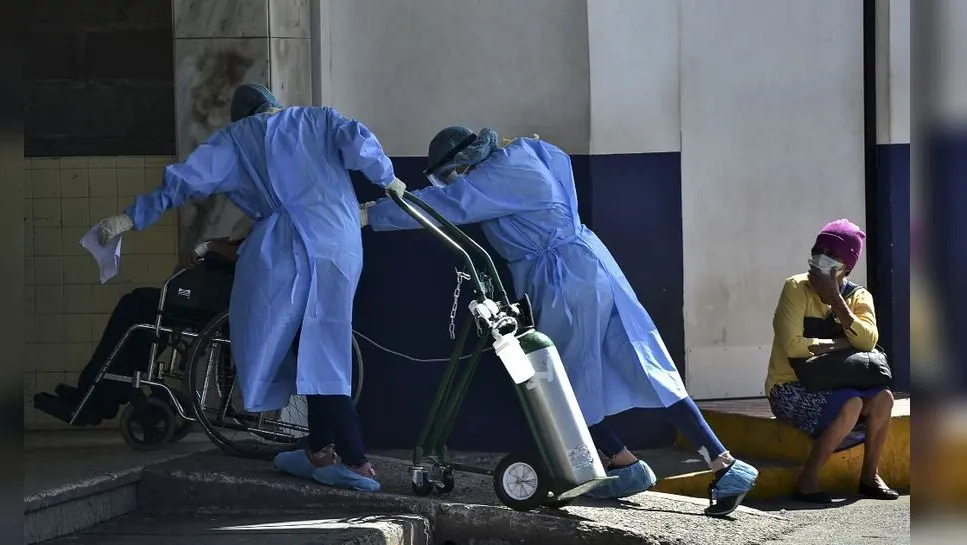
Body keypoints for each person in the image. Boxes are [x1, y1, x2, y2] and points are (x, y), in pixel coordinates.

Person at [363, 126, 758, 516]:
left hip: (561, 279)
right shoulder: (530, 153)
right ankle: (709, 464)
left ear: (463, 162)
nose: (454, 179)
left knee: (559, 379)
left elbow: (451, 204)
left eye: (452, 172)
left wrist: (373, 214)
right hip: (590, 263)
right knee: (641, 357)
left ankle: (618, 462)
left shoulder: (499, 175)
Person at [93, 84, 407, 492]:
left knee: (305, 349)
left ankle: (354, 461)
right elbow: (358, 141)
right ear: (273, 104)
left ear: (240, 115)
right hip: (340, 242)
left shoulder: (236, 139)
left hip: (286, 249)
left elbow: (184, 181)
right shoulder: (317, 118)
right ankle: (318, 449)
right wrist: (388, 177)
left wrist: (130, 218)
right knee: (320, 347)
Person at [33, 217, 253, 426]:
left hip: (221, 304)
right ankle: (97, 393)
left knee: (136, 307)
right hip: (221, 299)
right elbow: (241, 244)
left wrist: (211, 248)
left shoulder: (272, 211)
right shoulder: (270, 208)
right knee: (139, 308)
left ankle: (97, 396)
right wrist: (211, 245)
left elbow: (250, 253)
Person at [765, 219, 899, 502]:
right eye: (818, 249)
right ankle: (807, 478)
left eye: (832, 253)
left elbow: (867, 341)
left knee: (884, 398)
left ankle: (869, 476)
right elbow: (792, 346)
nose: (821, 257)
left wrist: (836, 301)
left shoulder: (859, 297)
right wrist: (839, 343)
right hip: (790, 386)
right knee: (852, 403)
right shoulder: (795, 287)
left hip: (836, 383)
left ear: (846, 267)